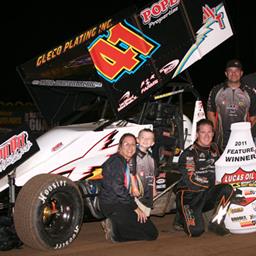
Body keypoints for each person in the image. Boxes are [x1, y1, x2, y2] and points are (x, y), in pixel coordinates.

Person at [175, 119, 235, 237]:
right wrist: (214, 183)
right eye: (203, 132)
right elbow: (191, 180)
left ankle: (216, 223)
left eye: (209, 132)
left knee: (228, 189)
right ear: (197, 134)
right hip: (189, 196)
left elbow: (226, 165)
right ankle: (181, 216)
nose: (207, 135)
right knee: (196, 231)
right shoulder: (189, 154)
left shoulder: (216, 148)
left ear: (213, 134)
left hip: (206, 194)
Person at [99, 133, 158, 242]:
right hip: (114, 204)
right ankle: (115, 233)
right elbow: (118, 189)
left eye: (133, 145)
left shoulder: (122, 161)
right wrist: (135, 208)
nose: (130, 148)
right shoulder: (117, 162)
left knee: (149, 230)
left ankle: (116, 224)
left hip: (118, 203)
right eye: (126, 144)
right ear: (119, 147)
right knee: (151, 234)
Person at [207, 59, 256, 152]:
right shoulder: (216, 90)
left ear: (241, 73)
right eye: (230, 71)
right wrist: (215, 133)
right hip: (220, 142)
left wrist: (243, 132)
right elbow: (210, 113)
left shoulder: (250, 92)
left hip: (242, 142)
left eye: (236, 71)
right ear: (226, 73)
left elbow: (253, 118)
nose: (233, 73)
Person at [130, 129, 158, 214]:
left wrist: (154, 189)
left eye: (149, 138)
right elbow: (131, 172)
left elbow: (152, 175)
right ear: (137, 140)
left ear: (152, 143)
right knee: (137, 217)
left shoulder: (151, 158)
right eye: (143, 137)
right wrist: (134, 188)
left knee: (145, 216)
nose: (146, 140)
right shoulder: (133, 155)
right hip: (136, 194)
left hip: (147, 194)